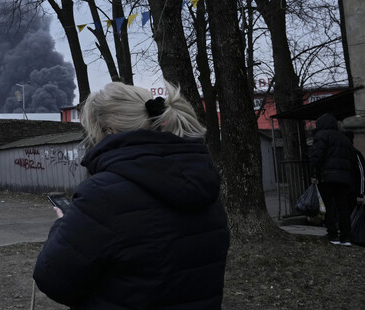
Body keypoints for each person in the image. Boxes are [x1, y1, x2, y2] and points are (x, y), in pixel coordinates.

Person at [33, 82, 230, 309]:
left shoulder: (100, 195)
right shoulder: (204, 180)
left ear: (108, 131)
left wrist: (61, 226)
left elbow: (53, 280)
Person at [310, 113, 357, 246]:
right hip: (344, 178)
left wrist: (314, 173)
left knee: (328, 207)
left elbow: (317, 157)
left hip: (327, 177)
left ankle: (333, 235)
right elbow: (352, 158)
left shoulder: (321, 136)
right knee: (343, 207)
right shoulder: (344, 138)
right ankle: (346, 237)